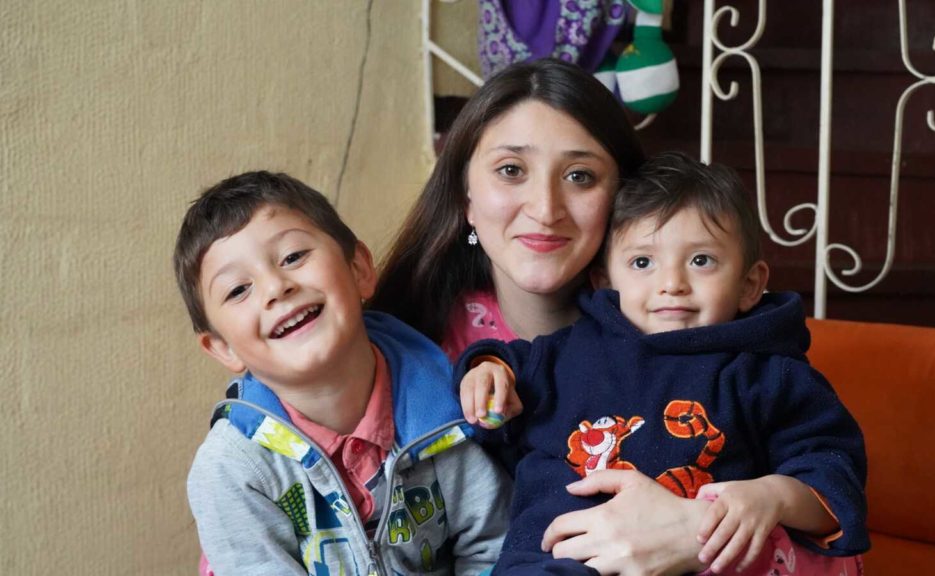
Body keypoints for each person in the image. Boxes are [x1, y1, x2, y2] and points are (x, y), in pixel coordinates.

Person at [456, 151, 869, 575]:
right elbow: (507, 375)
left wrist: (773, 496)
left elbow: (833, 477)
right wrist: (488, 371)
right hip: (550, 560)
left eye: (701, 260)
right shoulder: (569, 351)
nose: (671, 284)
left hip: (687, 560)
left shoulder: (766, 372)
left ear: (749, 285)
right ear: (606, 281)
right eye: (642, 262)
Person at [369, 57, 705, 575]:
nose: (546, 207)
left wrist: (698, 531)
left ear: (623, 198)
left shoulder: (689, 327)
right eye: (511, 170)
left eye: (580, 176)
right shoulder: (398, 352)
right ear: (466, 200)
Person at [174, 171, 510, 575]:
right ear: (223, 348)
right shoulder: (232, 470)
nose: (276, 288)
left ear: (360, 269)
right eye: (238, 290)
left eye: (293, 257)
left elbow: (493, 548)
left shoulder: (445, 414)